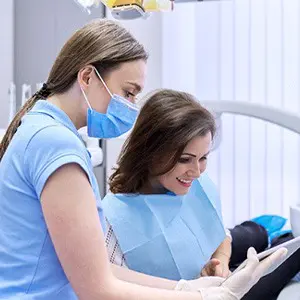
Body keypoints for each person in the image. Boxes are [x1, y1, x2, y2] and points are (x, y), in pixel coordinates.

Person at [0, 18, 286, 300]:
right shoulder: (54, 144)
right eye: (128, 93)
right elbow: (97, 289)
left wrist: (187, 289)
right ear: (87, 77)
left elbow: (102, 272)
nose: (131, 107)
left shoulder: (46, 132)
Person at [102, 89, 298, 300]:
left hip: (211, 269)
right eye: (185, 159)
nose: (196, 171)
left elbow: (221, 236)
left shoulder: (191, 183)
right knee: (293, 249)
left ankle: (263, 231)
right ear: (151, 151)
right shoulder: (113, 221)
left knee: (257, 233)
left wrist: (221, 262)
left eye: (203, 158)